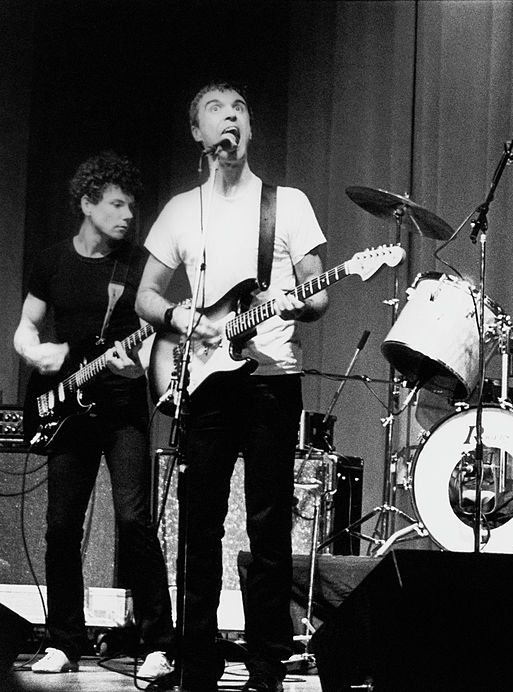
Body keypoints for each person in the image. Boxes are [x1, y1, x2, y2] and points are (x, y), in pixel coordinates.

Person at [135, 82, 328, 692]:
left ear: (250, 128)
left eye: (240, 108)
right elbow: (145, 297)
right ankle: (197, 662)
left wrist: (297, 303)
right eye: (217, 111)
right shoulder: (179, 210)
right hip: (204, 383)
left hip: (273, 380)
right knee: (199, 527)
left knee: (269, 528)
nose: (231, 117)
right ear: (198, 133)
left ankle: (267, 667)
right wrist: (180, 317)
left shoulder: (287, 205)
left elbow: (319, 294)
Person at [13, 152, 174, 679]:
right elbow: (27, 326)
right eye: (116, 204)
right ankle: (64, 642)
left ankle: (158, 644)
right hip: (67, 410)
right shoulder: (52, 261)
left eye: (132, 206)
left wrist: (139, 366)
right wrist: (36, 351)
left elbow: (155, 333)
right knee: (61, 527)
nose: (128, 214)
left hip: (123, 409)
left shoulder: (138, 265)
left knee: (133, 522)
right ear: (87, 203)